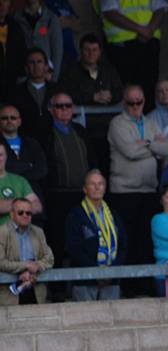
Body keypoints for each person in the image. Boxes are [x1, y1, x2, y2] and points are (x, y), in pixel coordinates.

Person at [107, 84, 168, 277]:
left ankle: (145, 284)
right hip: (124, 192)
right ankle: (129, 286)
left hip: (149, 190)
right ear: (124, 103)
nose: (135, 106)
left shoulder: (151, 122)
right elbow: (130, 152)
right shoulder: (117, 123)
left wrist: (147, 143)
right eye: (131, 102)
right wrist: (154, 146)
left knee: (146, 240)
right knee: (127, 241)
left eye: (139, 102)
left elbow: (167, 149)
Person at [45, 92, 98, 268]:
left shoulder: (80, 131)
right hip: (57, 195)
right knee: (57, 240)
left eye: (68, 105)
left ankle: (81, 281)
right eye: (60, 106)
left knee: (82, 238)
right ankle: (58, 288)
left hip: (81, 196)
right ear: (52, 110)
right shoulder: (46, 132)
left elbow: (92, 159)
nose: (65, 110)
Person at [65, 170, 126, 301]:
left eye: (100, 184)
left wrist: (112, 272)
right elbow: (74, 248)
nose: (97, 187)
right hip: (85, 281)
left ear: (105, 188)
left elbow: (123, 246)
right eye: (92, 184)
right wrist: (96, 274)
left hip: (112, 280)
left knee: (111, 320)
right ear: (85, 189)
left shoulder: (113, 215)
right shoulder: (76, 215)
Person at [99, 0, 168, 111]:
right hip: (122, 45)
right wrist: (141, 30)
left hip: (149, 42)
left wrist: (149, 30)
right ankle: (127, 125)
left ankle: (146, 123)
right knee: (124, 90)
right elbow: (110, 12)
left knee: (148, 88)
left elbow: (161, 8)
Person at [0, 197, 53, 305]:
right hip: (10, 296)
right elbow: (1, 262)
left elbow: (49, 258)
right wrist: (26, 266)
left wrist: (36, 266)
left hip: (36, 293)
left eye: (28, 213)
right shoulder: (2, 233)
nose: (25, 215)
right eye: (20, 212)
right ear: (11, 214)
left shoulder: (38, 232)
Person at [0, 103, 47, 219]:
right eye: (5, 118)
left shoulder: (32, 143)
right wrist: (27, 166)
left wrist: (14, 170)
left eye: (13, 118)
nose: (9, 121)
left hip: (33, 209)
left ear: (19, 121)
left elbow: (42, 170)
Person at [8, 47, 57, 150]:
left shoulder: (57, 90)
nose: (36, 66)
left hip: (53, 143)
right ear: (26, 67)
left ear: (46, 66)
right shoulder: (16, 93)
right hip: (26, 143)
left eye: (39, 62)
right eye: (32, 62)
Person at [61, 33, 123, 108]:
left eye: (94, 50)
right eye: (87, 50)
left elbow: (120, 92)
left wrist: (110, 96)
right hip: (82, 117)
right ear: (81, 51)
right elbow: (67, 95)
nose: (91, 53)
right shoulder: (71, 72)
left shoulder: (109, 70)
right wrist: (92, 97)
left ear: (100, 52)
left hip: (108, 115)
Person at [14, 0, 63, 82]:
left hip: (46, 76)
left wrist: (53, 76)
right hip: (23, 77)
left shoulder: (51, 19)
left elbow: (57, 51)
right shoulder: (16, 18)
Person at [0, 144, 42, 225]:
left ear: (6, 157)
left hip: (22, 234)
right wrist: (25, 205)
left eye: (0, 155)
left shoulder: (20, 180)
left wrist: (12, 205)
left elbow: (38, 206)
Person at [0, 0, 27, 101]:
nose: (1, 4)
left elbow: (22, 54)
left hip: (12, 85)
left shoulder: (16, 27)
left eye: (5, 1)